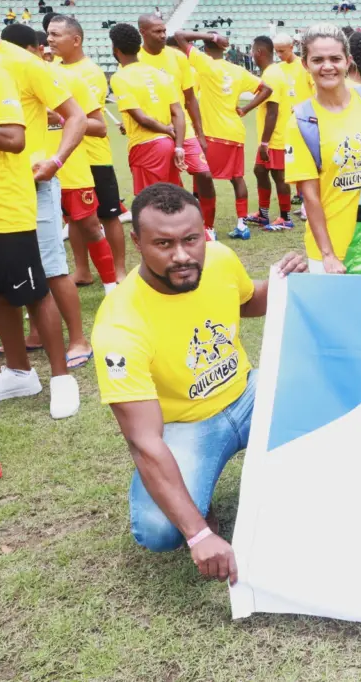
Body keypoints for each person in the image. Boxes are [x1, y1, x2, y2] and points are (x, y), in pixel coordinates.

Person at [91, 183, 306, 575]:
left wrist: (286, 284)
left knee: (321, 399)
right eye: (163, 244)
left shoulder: (220, 260)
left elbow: (248, 299)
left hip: (248, 392)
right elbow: (143, 442)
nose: (181, 256)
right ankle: (198, 512)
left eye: (191, 239)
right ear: (137, 242)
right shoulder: (119, 327)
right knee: (158, 529)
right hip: (187, 426)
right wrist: (197, 535)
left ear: (204, 231)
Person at [0, 47, 80, 419]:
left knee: (34, 290)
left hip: (7, 206)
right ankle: (18, 372)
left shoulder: (0, 73)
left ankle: (61, 377)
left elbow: (15, 138)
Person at [49, 15, 128, 285]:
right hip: (71, 159)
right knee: (75, 217)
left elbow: (93, 124)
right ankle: (82, 270)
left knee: (108, 214)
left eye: (56, 35)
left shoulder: (90, 72)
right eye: (48, 34)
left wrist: (61, 118)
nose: (50, 40)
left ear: (76, 40)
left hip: (95, 156)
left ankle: (119, 270)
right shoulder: (53, 69)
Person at [285, 24, 361, 274]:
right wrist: (328, 255)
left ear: (348, 61)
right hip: (332, 254)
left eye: (335, 58)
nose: (327, 66)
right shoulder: (301, 120)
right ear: (305, 64)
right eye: (318, 60)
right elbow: (310, 196)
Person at [176, 30, 275, 243]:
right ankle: (241, 225)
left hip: (211, 134)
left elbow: (179, 36)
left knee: (201, 178)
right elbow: (266, 89)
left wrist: (208, 36)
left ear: (206, 47)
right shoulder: (238, 70)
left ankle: (207, 227)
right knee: (236, 178)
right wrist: (246, 109)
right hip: (235, 131)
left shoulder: (204, 63)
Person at [137, 13, 217, 238]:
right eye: (157, 31)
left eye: (164, 31)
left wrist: (200, 133)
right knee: (167, 185)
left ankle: (208, 228)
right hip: (155, 131)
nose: (163, 35)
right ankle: (173, 228)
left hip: (184, 128)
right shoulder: (136, 60)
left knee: (204, 175)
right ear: (143, 32)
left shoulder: (177, 57)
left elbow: (190, 98)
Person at [109, 23, 184, 194]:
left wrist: (166, 130)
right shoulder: (160, 74)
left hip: (146, 148)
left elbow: (142, 118)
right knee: (172, 198)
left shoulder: (119, 77)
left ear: (116, 48)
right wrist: (178, 144)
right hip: (169, 146)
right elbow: (178, 112)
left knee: (150, 203)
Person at [239, 36, 293, 236]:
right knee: (260, 171)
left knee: (279, 176)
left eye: (253, 51)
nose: (252, 54)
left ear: (259, 52)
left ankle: (285, 219)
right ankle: (263, 214)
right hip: (273, 135)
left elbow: (273, 111)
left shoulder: (271, 75)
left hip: (276, 137)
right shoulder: (274, 72)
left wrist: (264, 142)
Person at [275, 33, 314, 107]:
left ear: (291, 48)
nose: (278, 55)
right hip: (285, 116)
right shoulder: (278, 68)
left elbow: (317, 92)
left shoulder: (305, 65)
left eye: (281, 51)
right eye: (276, 51)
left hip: (304, 115)